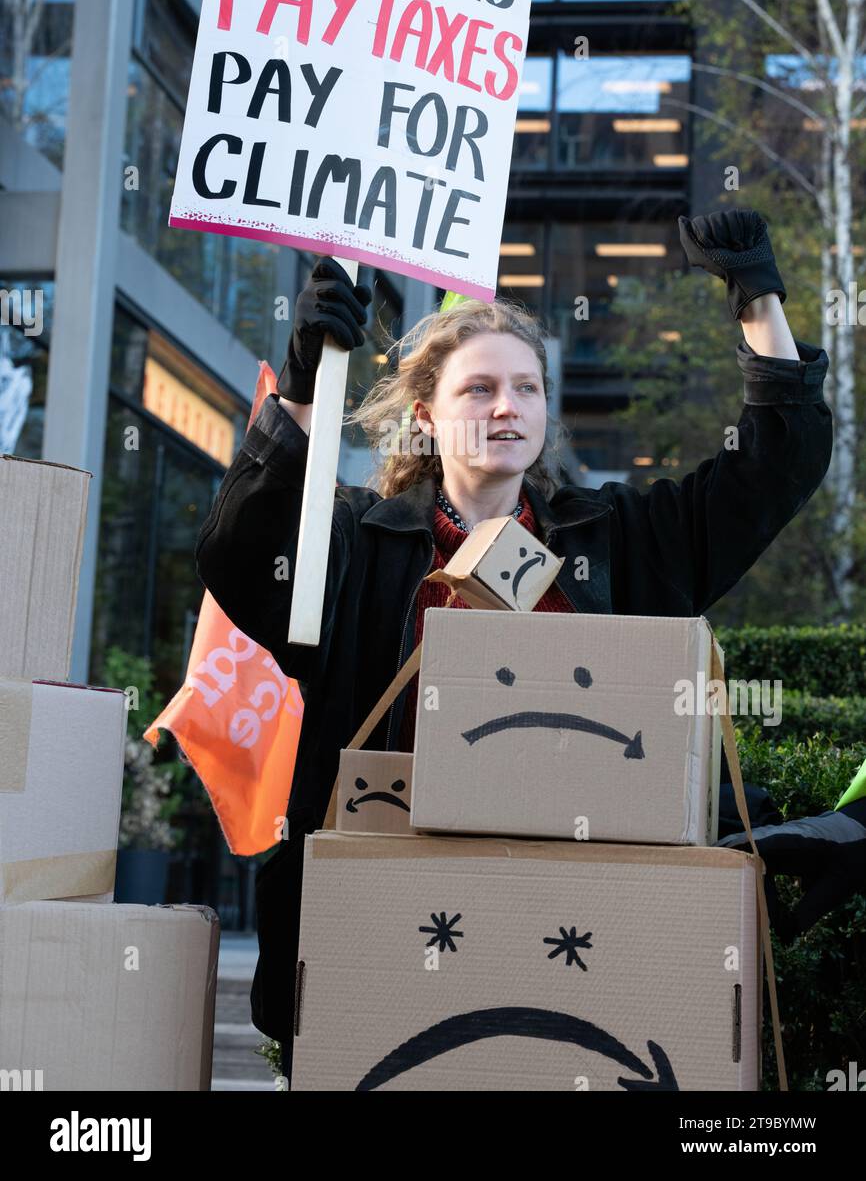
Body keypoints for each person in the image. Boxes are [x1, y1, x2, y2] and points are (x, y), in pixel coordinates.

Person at [195, 207, 833, 1084]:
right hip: (387, 936)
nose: (508, 406)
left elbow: (776, 469)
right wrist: (302, 393)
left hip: (580, 939)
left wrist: (758, 294)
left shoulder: (616, 538)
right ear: (424, 413)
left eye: (527, 387)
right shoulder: (354, 543)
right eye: (479, 388)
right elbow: (239, 555)